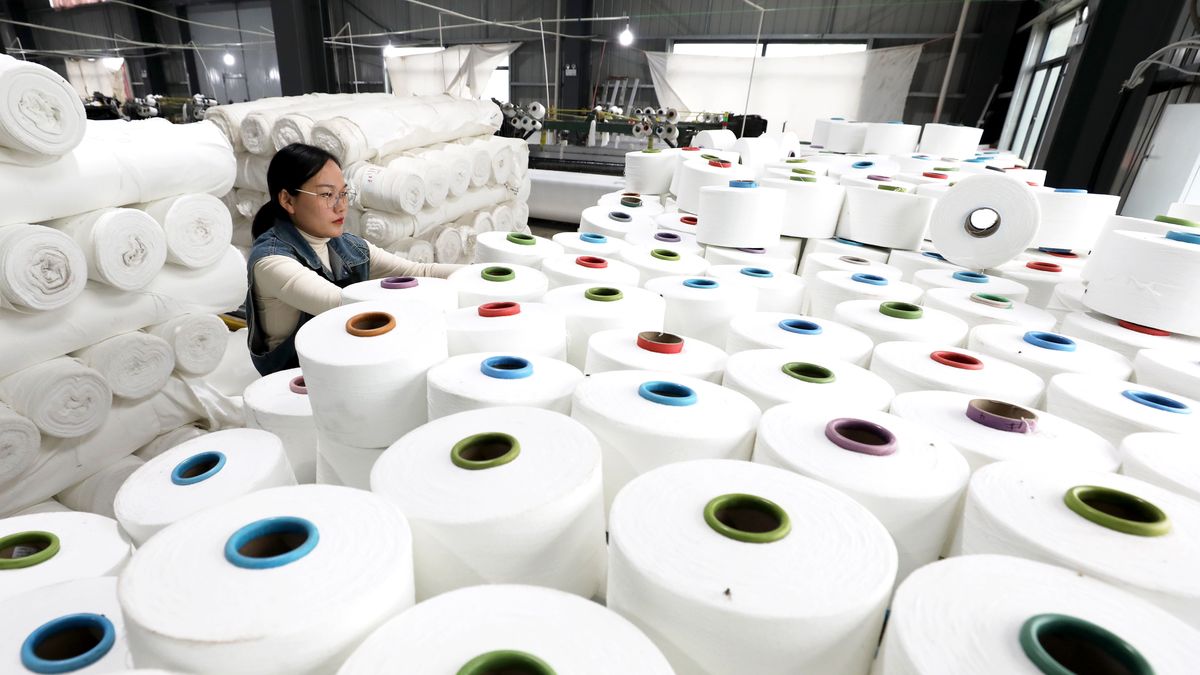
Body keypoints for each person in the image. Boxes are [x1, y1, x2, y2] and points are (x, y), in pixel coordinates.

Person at [245, 143, 461, 375]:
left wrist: (476, 275)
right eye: (327, 195)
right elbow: (344, 306)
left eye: (344, 194)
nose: (341, 207)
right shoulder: (271, 262)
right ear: (288, 200)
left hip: (346, 362)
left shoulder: (346, 246)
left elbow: (420, 272)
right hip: (298, 381)